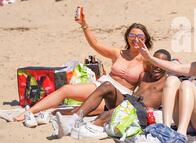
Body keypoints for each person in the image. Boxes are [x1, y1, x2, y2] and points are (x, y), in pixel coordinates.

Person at [14, 11, 151, 126]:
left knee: (81, 110)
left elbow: (155, 80)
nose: (136, 39)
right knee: (66, 90)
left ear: (145, 39)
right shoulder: (118, 53)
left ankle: (50, 112)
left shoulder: (147, 61)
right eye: (132, 35)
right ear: (127, 37)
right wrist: (84, 25)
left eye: (140, 36)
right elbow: (95, 44)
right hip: (101, 85)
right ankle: (29, 112)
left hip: (119, 95)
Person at [53, 49, 171, 139]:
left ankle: (94, 126)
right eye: (155, 61)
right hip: (130, 102)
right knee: (107, 86)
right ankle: (74, 119)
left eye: (161, 63)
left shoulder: (168, 82)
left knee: (107, 114)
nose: (156, 66)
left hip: (141, 112)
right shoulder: (144, 75)